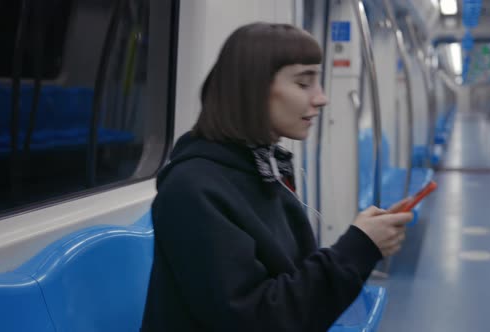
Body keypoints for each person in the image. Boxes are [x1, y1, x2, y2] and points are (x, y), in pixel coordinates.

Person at [141, 22, 413, 332]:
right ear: (253, 89)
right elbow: (259, 319)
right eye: (303, 83)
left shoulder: (261, 168)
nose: (321, 98)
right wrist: (358, 248)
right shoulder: (191, 192)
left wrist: (362, 244)